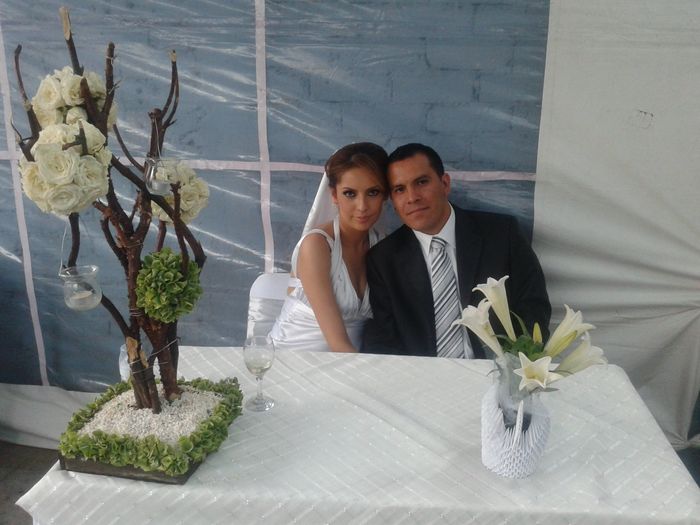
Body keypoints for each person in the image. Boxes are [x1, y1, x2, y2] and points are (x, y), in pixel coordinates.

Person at [361, 143, 550, 358]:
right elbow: (382, 339)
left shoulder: (502, 234)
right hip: (422, 373)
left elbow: (534, 307)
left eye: (421, 182)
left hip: (498, 367)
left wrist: (513, 363)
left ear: (445, 183)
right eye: (399, 189)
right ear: (393, 201)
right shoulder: (383, 259)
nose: (412, 197)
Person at [270, 142, 389, 352]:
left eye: (373, 192)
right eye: (350, 194)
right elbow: (338, 343)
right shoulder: (316, 246)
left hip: (351, 359)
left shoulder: (382, 246)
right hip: (291, 359)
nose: (362, 206)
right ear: (334, 195)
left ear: (385, 195)